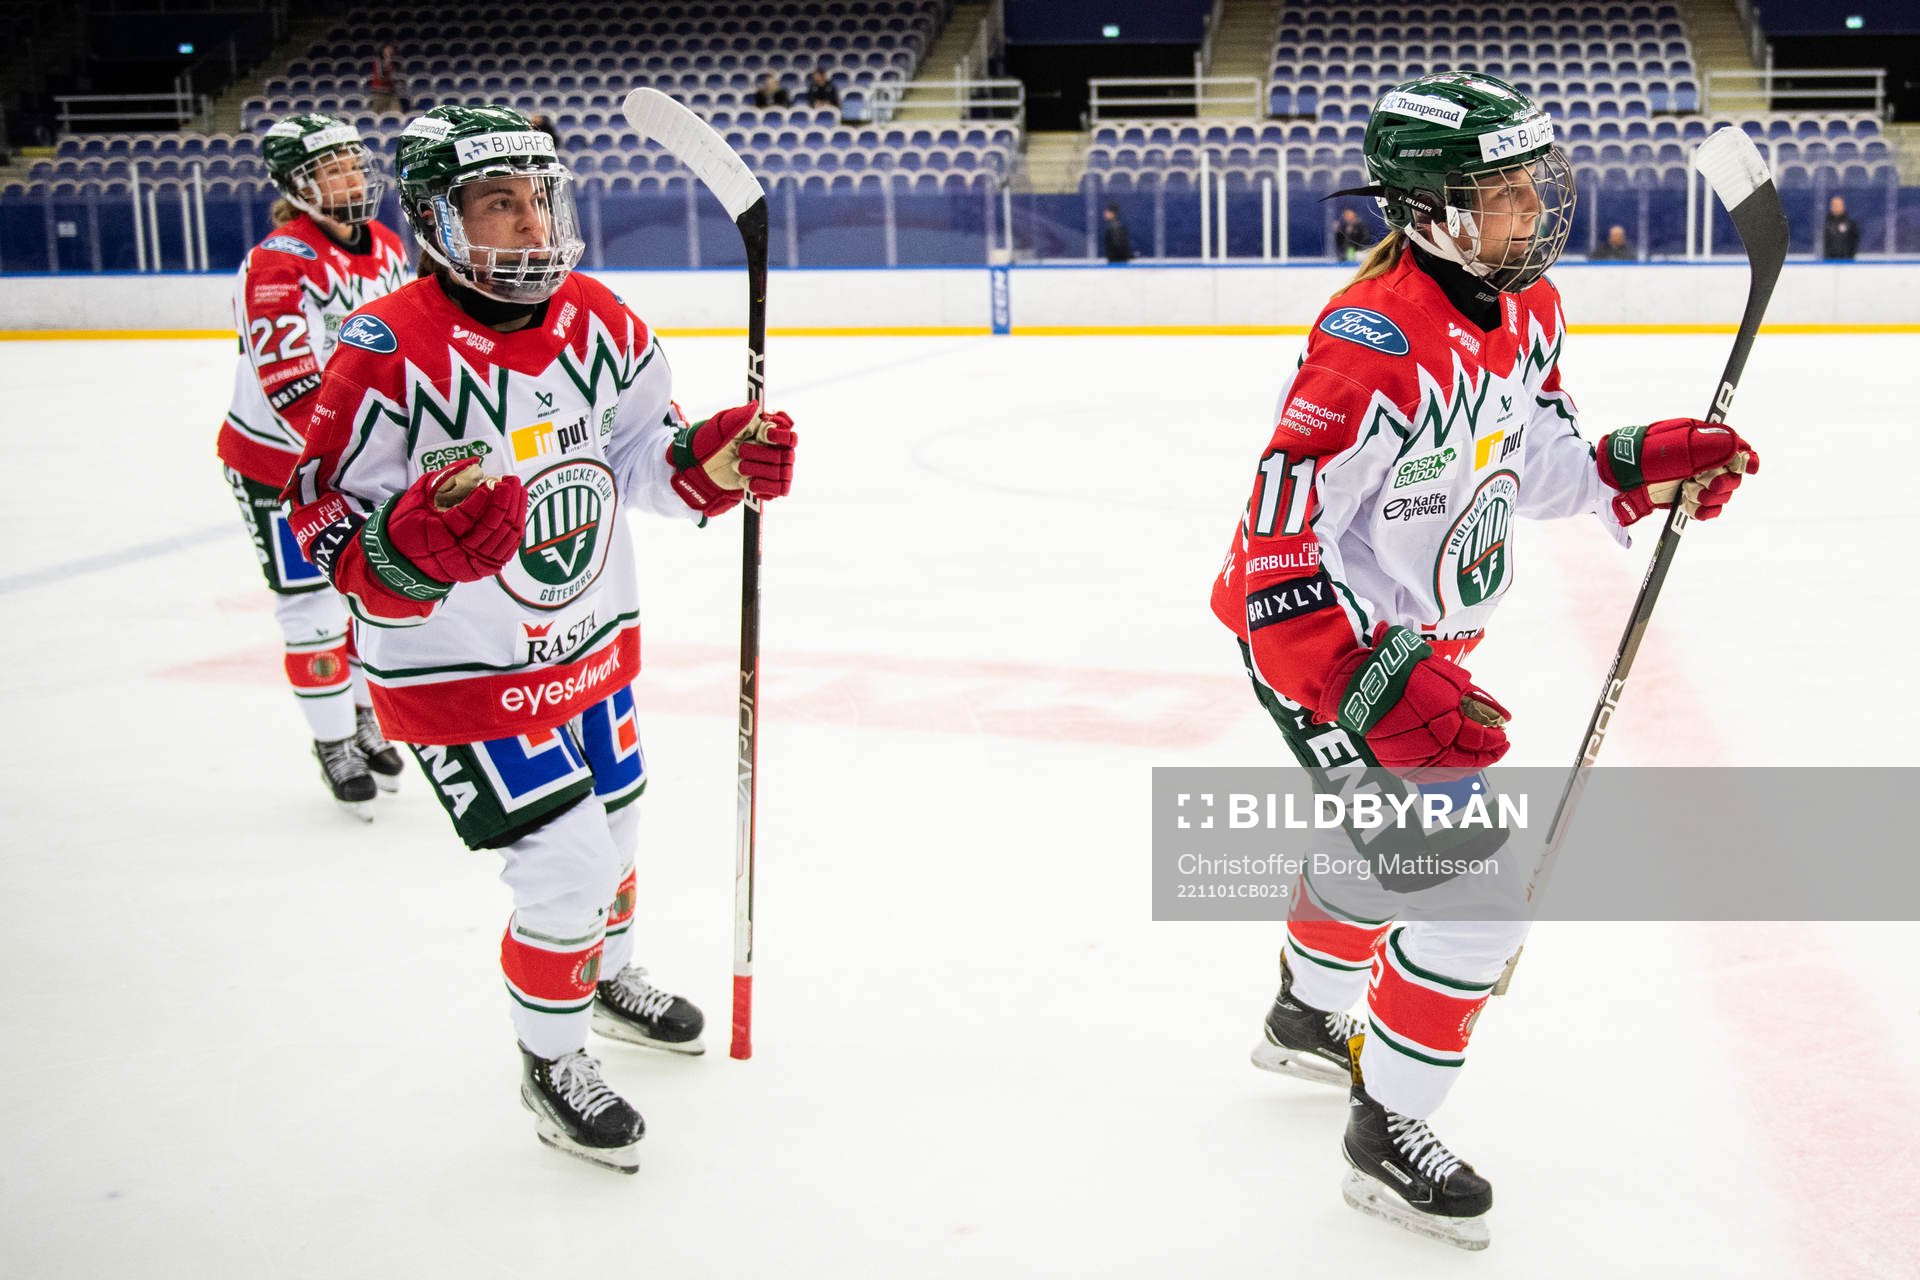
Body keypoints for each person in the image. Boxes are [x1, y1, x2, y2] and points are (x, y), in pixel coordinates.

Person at [1211, 73, 1756, 1249]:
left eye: (1532, 181)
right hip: (1325, 647)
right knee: (1475, 896)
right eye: (1501, 189)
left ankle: (1305, 1016)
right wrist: (1361, 678)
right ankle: (1386, 1130)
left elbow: (1533, 461)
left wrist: (1633, 462)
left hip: (1421, 643)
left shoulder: (1532, 305)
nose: (1531, 206)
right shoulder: (1368, 347)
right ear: (1430, 210)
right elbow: (1276, 548)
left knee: (1381, 842)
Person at [283, 105, 798, 1173]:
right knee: (566, 865)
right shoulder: (385, 350)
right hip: (460, 670)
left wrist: (713, 461)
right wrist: (405, 551)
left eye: (538, 199)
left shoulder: (600, 319)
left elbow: (642, 460)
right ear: (436, 219)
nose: (528, 224)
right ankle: (551, 1060)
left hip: (591, 641)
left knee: (616, 830)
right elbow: (319, 513)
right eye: (497, 204)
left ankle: (603, 976)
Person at [216, 113, 411, 818]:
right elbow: (291, 385)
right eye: (331, 169)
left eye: (354, 164)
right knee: (311, 607)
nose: (351, 178)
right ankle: (333, 742)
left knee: (363, 597)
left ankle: (360, 716)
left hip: (356, 462)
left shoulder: (387, 244)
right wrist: (362, 457)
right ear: (296, 186)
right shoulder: (278, 262)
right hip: (278, 469)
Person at [369, 44, 406, 114]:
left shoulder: (395, 63)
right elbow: (380, 76)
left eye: (391, 49)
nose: (390, 51)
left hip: (392, 94)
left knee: (397, 114)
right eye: (387, 49)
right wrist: (387, 62)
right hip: (379, 94)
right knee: (376, 115)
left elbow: (398, 77)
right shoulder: (378, 61)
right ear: (383, 50)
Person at [1823, 195, 1860, 260]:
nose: (1835, 207)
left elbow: (1855, 241)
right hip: (1828, 261)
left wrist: (1850, 256)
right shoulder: (1825, 223)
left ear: (1843, 206)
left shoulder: (1850, 224)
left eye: (1838, 205)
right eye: (1834, 205)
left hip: (1846, 260)